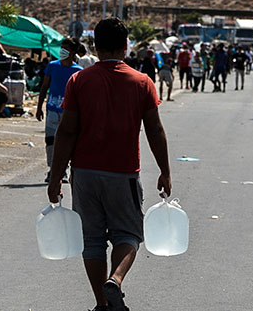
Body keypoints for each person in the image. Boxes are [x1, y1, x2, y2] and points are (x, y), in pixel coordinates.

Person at [47, 17, 171, 311]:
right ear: (126, 46)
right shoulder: (142, 82)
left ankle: (102, 304)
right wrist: (165, 171)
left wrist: (55, 177)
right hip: (123, 173)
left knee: (92, 240)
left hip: (84, 173)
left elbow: (66, 131)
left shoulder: (79, 81)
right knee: (128, 234)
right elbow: (154, 130)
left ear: (95, 46)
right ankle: (115, 279)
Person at [36, 38, 82, 183]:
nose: (62, 51)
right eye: (61, 48)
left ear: (72, 52)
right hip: (52, 110)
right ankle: (52, 169)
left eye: (65, 49)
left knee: (67, 141)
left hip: (68, 112)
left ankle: (64, 169)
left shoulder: (78, 71)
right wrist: (39, 108)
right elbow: (44, 87)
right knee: (50, 140)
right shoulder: (52, 66)